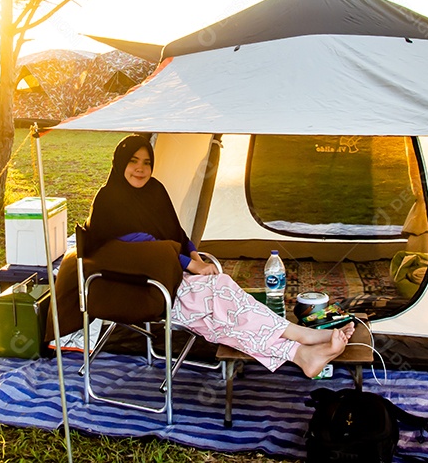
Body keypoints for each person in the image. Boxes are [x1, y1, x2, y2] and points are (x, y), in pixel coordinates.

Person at [86, 134, 354, 378]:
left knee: (221, 313)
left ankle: (300, 353)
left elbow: (176, 232)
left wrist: (195, 257)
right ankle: (303, 338)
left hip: (173, 277)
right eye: (133, 161)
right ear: (120, 162)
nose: (141, 169)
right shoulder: (109, 200)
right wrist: (191, 265)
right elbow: (140, 247)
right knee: (221, 302)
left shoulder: (154, 190)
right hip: (144, 288)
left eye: (147, 162)